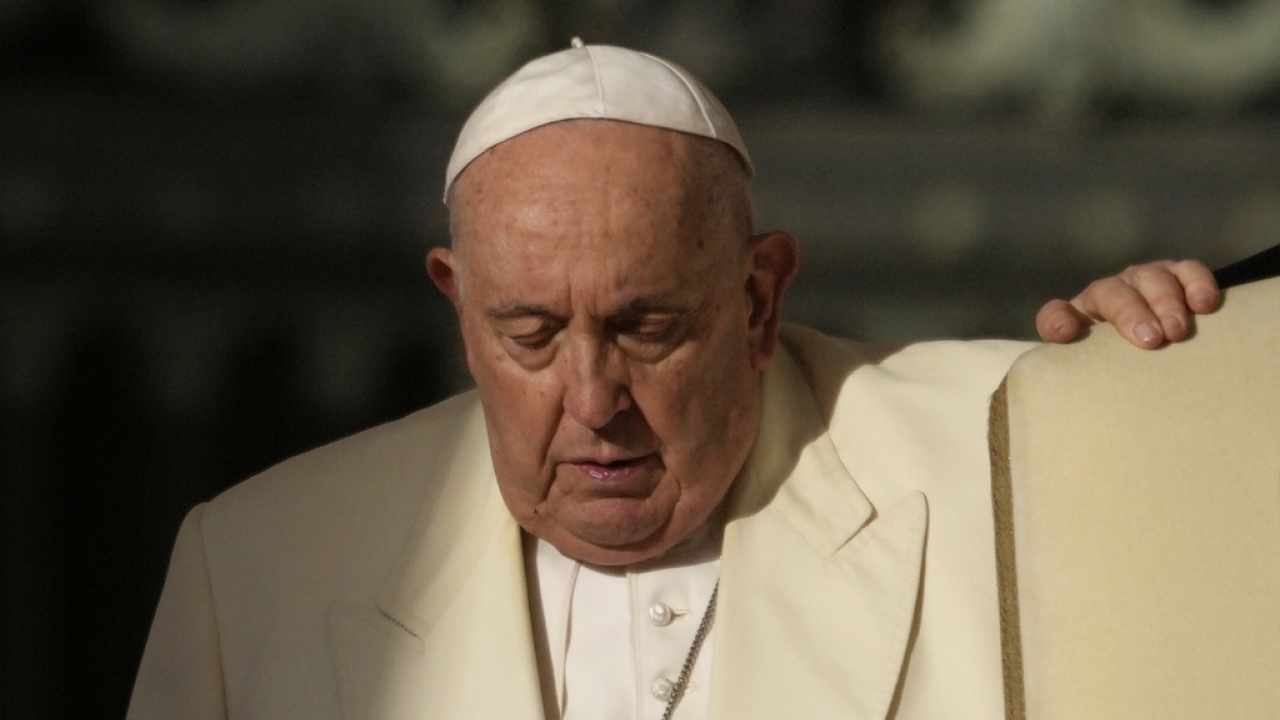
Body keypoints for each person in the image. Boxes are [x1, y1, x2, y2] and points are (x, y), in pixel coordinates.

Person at [126, 41, 1220, 720]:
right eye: (530, 334)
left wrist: (1192, 383)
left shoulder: (1013, 457)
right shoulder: (256, 572)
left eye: (644, 328)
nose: (593, 401)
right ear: (457, 308)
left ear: (755, 299)